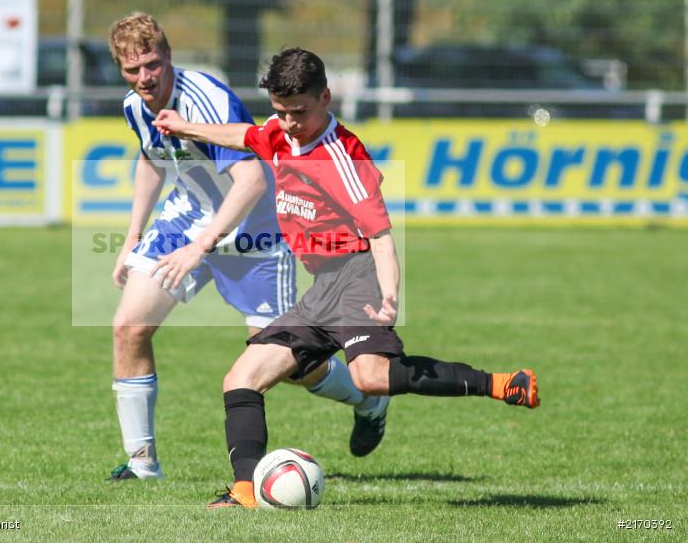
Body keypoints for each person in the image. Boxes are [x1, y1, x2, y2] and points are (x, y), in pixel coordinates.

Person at [153, 47, 541, 507]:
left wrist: (390, 293)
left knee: (372, 377)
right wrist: (184, 126)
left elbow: (380, 233)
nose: (289, 122)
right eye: (280, 111)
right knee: (241, 377)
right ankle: (245, 491)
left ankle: (499, 383)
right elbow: (245, 134)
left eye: (299, 112)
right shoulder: (279, 133)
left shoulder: (343, 159)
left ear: (326, 98)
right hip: (323, 287)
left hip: (359, 273)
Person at [105, 15, 390, 482]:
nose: (144, 79)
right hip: (188, 219)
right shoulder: (135, 106)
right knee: (128, 327)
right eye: (132, 71)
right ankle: (142, 466)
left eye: (152, 65)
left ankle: (370, 399)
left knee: (294, 367)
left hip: (255, 231)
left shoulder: (206, 100)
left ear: (169, 55)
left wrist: (201, 246)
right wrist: (134, 235)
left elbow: (253, 179)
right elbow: (152, 160)